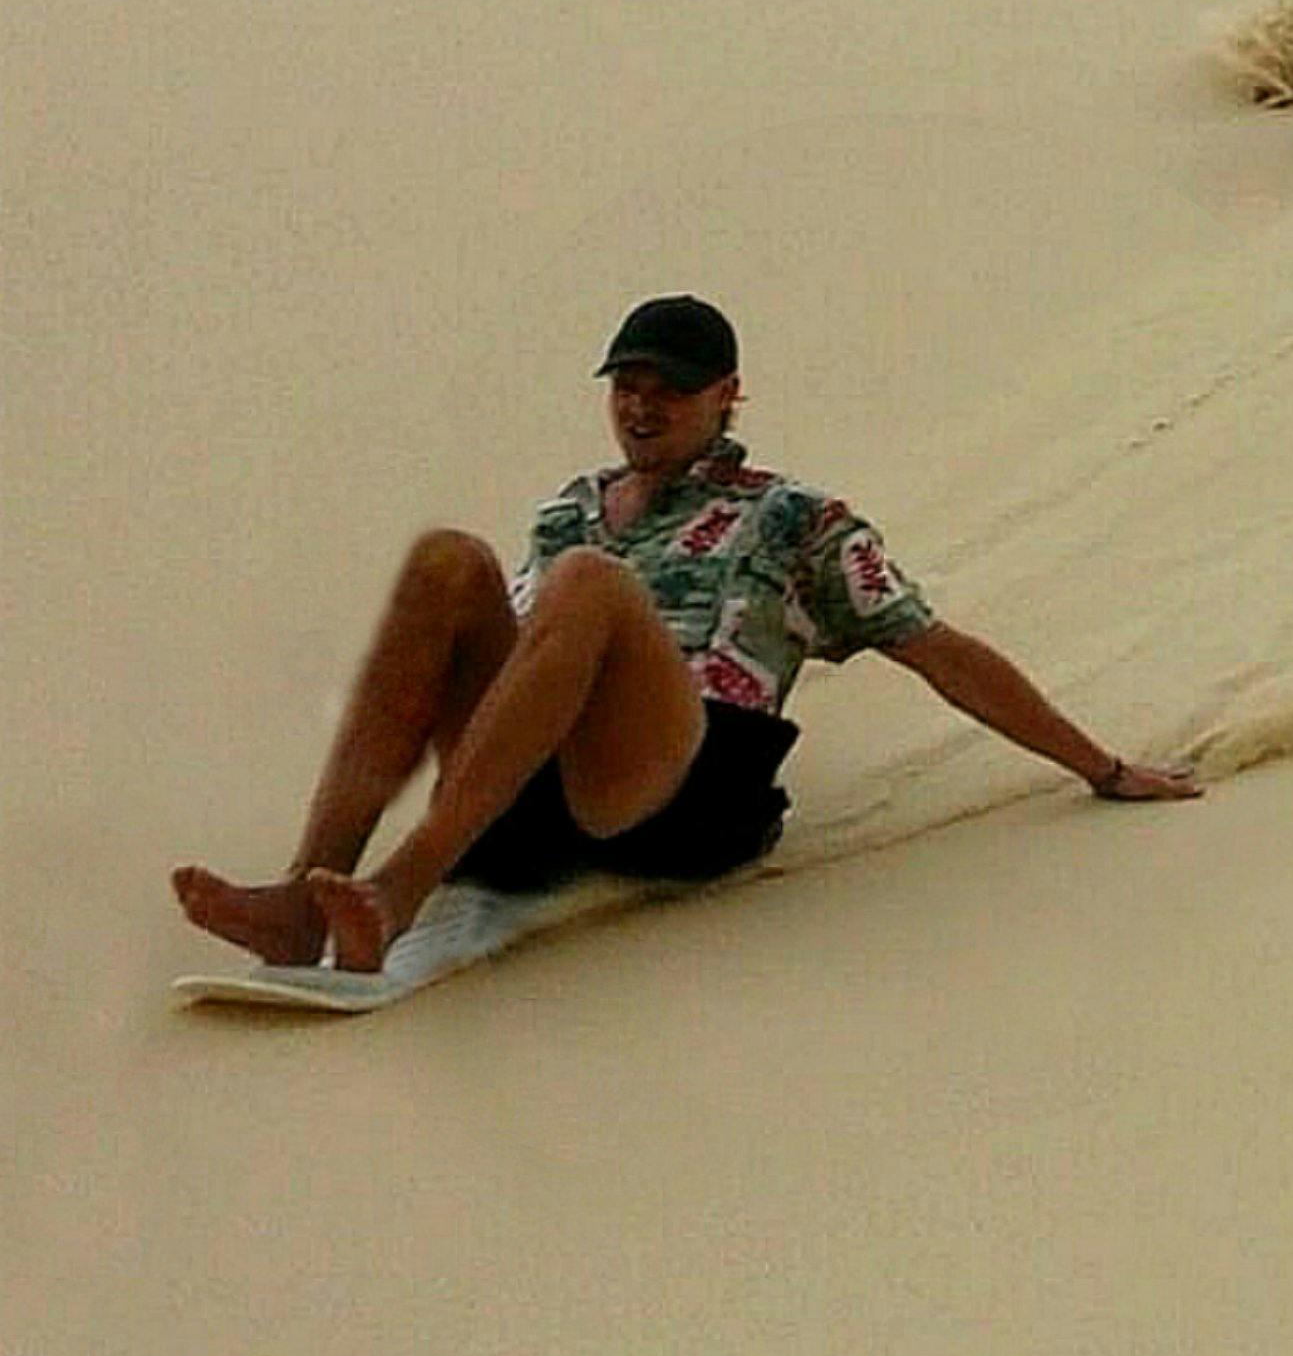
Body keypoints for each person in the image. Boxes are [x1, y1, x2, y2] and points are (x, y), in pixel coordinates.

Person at [171, 296, 1197, 974]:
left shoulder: (796, 514)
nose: (643, 402)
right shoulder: (570, 506)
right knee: (449, 558)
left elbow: (934, 646)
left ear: (726, 394)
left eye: (670, 385)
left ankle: (397, 890)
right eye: (629, 382)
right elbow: (522, 651)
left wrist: (1098, 765)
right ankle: (307, 895)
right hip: (529, 786)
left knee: (590, 584)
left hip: (683, 786)